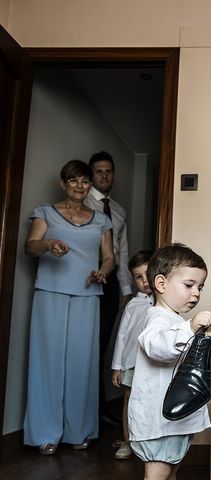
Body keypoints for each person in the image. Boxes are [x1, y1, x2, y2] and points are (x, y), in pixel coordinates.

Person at [23, 159, 115, 455]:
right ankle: (45, 434)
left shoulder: (101, 219)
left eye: (85, 181)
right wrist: (48, 245)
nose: (80, 186)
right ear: (63, 184)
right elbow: (30, 246)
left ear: (91, 185)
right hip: (50, 292)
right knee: (47, 362)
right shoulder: (46, 212)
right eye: (73, 180)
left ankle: (79, 430)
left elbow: (110, 257)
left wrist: (104, 272)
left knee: (81, 363)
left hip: (88, 294)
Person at [127, 243, 211, 480]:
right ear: (161, 284)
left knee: (170, 472)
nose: (196, 293)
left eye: (200, 287)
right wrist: (191, 326)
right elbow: (158, 347)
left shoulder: (174, 320)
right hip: (159, 423)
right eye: (189, 285)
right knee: (156, 475)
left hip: (172, 419)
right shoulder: (157, 318)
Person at [84, 150, 133, 424]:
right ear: (90, 175)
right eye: (99, 171)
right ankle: (84, 409)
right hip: (85, 277)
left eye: (108, 171)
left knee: (102, 344)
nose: (104, 176)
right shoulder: (82, 203)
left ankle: (98, 410)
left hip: (111, 282)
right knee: (84, 344)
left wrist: (126, 289)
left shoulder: (118, 211)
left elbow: (123, 252)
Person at [110, 249, 154, 460]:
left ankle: (150, 443)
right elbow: (122, 336)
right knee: (129, 401)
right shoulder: (132, 305)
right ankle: (127, 442)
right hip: (132, 363)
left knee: (152, 401)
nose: (145, 281)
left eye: (148, 274)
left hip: (154, 363)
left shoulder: (165, 303)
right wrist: (117, 366)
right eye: (138, 277)